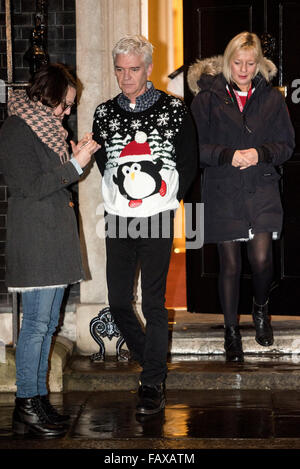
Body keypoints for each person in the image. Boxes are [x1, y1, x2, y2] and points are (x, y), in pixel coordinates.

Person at [93, 35, 197, 415]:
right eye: (119, 70)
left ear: (149, 69)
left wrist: (166, 200)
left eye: (133, 70)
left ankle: (152, 382)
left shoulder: (174, 109)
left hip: (156, 218)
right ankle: (151, 359)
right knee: (119, 301)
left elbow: (189, 160)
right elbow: (106, 164)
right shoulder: (104, 113)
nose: (126, 77)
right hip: (119, 218)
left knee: (154, 302)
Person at [0, 63, 100, 437]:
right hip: (37, 239)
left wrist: (77, 161)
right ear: (51, 94)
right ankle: (26, 405)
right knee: (37, 327)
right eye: (66, 104)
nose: (68, 112)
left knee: (48, 325)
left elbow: (58, 180)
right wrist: (74, 164)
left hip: (53, 238)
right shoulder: (16, 129)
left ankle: (38, 401)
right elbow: (29, 185)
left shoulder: (48, 129)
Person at [189, 32, 295, 362]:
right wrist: (226, 155)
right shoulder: (207, 97)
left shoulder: (272, 98)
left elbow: (286, 145)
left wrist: (260, 152)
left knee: (262, 260)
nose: (244, 70)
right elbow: (195, 147)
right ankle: (231, 332)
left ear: (259, 63)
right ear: (227, 61)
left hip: (260, 188)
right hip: (223, 191)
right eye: (237, 63)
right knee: (230, 266)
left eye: (250, 63)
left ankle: (260, 308)